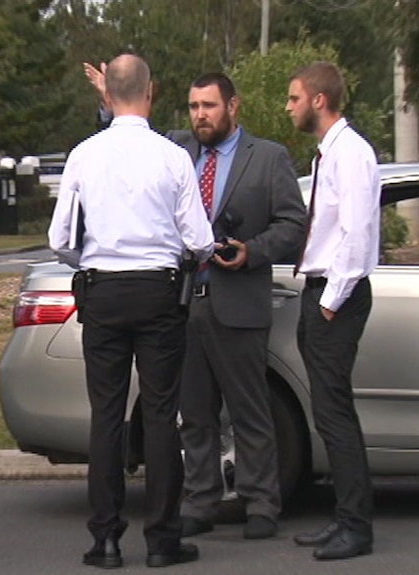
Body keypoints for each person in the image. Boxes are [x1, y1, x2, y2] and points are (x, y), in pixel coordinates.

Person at [84, 65, 306, 540]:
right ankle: (201, 499)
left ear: (232, 106)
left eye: (209, 106)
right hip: (179, 301)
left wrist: (253, 251)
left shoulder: (267, 158)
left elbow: (293, 226)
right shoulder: (176, 149)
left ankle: (261, 502)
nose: (201, 116)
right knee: (193, 412)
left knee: (250, 410)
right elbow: (123, 142)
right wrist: (111, 99)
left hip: (238, 298)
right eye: (193, 107)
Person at [50, 54, 214, 569]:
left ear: (107, 95)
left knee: (107, 415)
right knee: (162, 415)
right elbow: (200, 240)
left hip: (101, 289)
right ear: (151, 91)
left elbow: (59, 238)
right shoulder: (171, 156)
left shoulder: (83, 155)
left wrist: (93, 260)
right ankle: (162, 539)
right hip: (159, 290)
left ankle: (105, 538)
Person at [285, 61, 380, 561]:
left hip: (335, 295)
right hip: (319, 290)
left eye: (294, 97)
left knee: (335, 412)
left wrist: (328, 302)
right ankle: (344, 517)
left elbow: (357, 233)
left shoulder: (352, 154)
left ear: (319, 99)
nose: (289, 106)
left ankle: (356, 527)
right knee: (326, 411)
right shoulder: (329, 154)